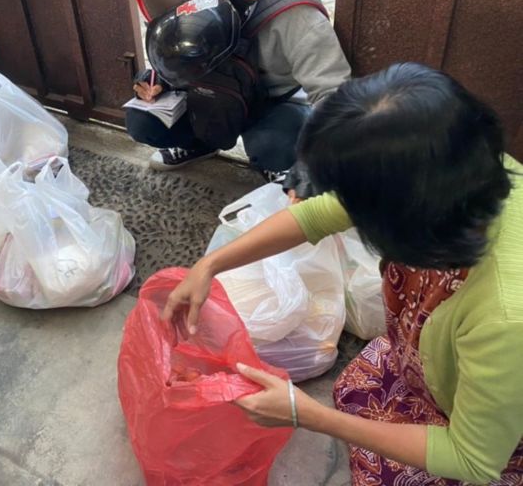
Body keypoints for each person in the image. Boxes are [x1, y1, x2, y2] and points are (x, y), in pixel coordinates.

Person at [163, 63, 522, 485]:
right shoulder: (453, 166)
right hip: (447, 372)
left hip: (497, 439)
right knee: (356, 389)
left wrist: (308, 416)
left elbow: (474, 460)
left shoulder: (505, 316)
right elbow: (318, 215)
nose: (348, 211)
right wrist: (211, 264)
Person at [127, 0, 351, 181]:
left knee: (271, 146)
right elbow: (177, 55)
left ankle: (276, 163)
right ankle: (200, 145)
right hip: (212, 91)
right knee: (142, 120)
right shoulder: (189, 6)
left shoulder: (297, 15)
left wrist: (317, 164)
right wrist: (156, 82)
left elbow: (334, 96)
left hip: (273, 103)